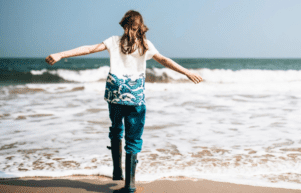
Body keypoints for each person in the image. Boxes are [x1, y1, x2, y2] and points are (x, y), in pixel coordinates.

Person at [45, 10, 203, 193]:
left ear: (124, 25)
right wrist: (187, 72)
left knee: (116, 128)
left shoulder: (114, 41)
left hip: (115, 94)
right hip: (135, 97)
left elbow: (88, 48)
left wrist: (60, 54)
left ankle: (117, 170)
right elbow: (164, 60)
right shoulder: (145, 45)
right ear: (141, 27)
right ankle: (129, 184)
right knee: (133, 136)